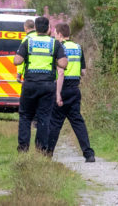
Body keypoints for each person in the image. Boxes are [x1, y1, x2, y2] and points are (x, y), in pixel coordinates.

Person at [13, 16, 67, 153]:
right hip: (47, 85)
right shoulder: (54, 43)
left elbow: (17, 61)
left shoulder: (28, 42)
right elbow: (63, 64)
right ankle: (41, 149)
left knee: (25, 116)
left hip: (30, 84)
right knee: (44, 117)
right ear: (49, 28)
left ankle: (23, 149)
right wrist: (53, 60)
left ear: (35, 28)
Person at [48, 23, 95, 162]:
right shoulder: (78, 47)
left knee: (55, 122)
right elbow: (83, 71)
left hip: (62, 87)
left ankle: (47, 153)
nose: (55, 36)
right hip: (75, 88)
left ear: (60, 35)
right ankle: (88, 154)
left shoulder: (59, 47)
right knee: (77, 121)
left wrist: (57, 93)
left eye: (55, 33)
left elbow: (60, 72)